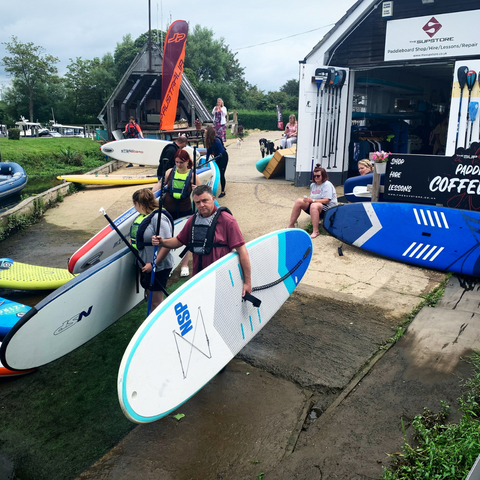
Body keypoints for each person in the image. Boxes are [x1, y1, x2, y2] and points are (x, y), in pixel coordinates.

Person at [153, 184, 252, 296]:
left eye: (205, 200)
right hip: (200, 276)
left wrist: (247, 282)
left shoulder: (227, 220)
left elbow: (242, 251)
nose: (201, 205)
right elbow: (179, 241)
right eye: (198, 202)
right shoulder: (193, 220)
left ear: (213, 199)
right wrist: (162, 242)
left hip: (222, 275)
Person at [155, 149, 201, 278]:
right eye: (176, 162)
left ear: (187, 162)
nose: (178, 165)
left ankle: (185, 265)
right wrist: (150, 196)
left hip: (185, 210)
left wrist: (196, 190)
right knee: (167, 238)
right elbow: (159, 185)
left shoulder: (193, 176)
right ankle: (169, 265)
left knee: (184, 238)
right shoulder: (170, 172)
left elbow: (203, 193)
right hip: (168, 210)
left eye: (181, 162)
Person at [130, 188, 174, 311]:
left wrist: (153, 264)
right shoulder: (143, 217)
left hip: (159, 267)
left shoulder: (159, 218)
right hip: (146, 265)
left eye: (135, 205)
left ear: (138, 204)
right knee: (150, 298)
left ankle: (162, 326)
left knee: (156, 303)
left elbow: (167, 245)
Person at [287, 165, 337, 239]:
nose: (316, 177)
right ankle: (291, 225)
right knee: (299, 201)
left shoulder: (327, 184)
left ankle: (315, 231)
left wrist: (312, 201)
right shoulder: (313, 185)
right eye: (314, 176)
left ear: (323, 176)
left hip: (329, 209)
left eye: (318, 176)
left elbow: (326, 200)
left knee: (314, 205)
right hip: (317, 206)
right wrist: (307, 200)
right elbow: (313, 198)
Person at [205, 125, 229, 198]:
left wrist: (216, 159)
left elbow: (222, 151)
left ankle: (223, 191)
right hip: (217, 157)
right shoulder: (208, 141)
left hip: (223, 157)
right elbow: (208, 151)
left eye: (205, 133)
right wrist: (206, 161)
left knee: (221, 173)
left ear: (209, 133)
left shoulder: (217, 140)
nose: (204, 135)